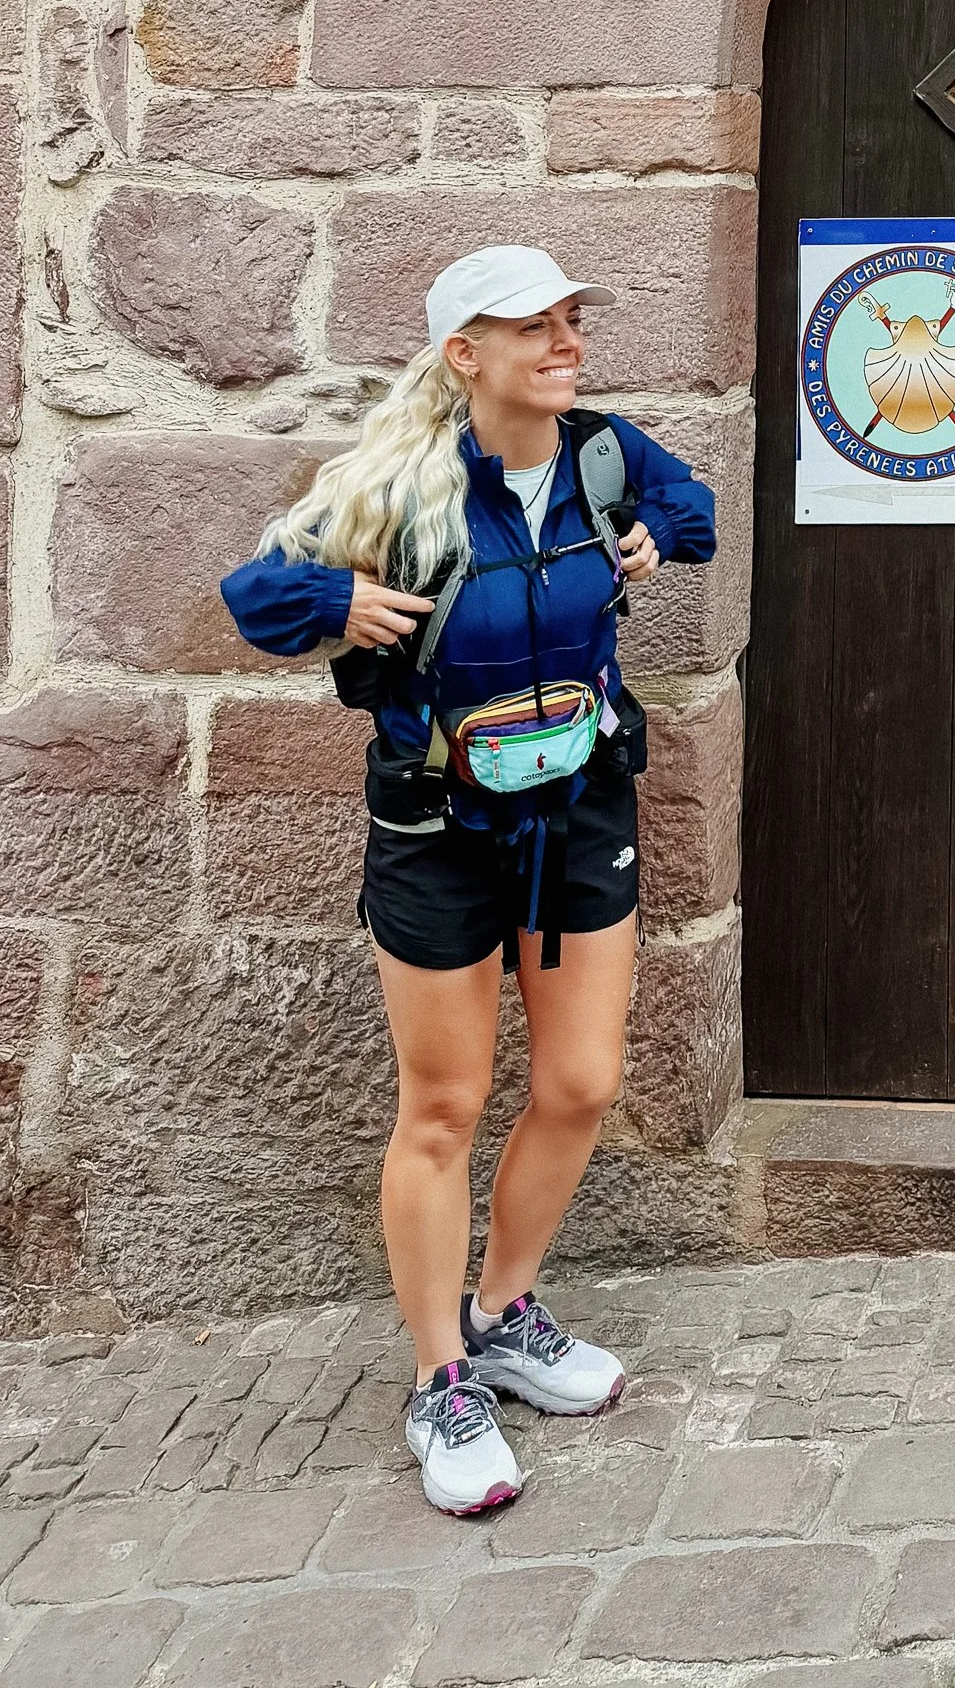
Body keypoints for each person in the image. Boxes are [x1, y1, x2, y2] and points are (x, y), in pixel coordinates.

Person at [221, 246, 715, 1518]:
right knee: (444, 1105)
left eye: (570, 321)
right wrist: (338, 598)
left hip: (579, 804)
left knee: (582, 1080)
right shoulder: (401, 482)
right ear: (465, 356)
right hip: (438, 825)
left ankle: (500, 1311)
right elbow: (256, 594)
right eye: (532, 328)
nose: (564, 344)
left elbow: (699, 509)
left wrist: (658, 531)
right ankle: (443, 1379)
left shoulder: (606, 455)